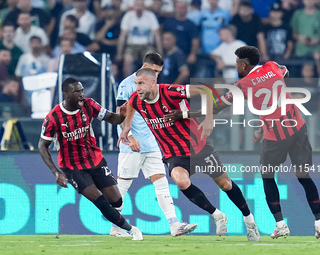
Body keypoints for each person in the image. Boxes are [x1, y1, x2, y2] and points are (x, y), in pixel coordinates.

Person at [167, 46, 320, 239]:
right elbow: (286, 71)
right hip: (297, 128)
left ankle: (280, 225)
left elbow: (216, 107)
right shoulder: (272, 66)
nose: (236, 66)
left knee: (268, 177)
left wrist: (185, 114)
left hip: (275, 137)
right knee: (303, 176)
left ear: (243, 64)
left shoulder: (243, 85)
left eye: (237, 63)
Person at [118, 67, 261, 241]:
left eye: (141, 83)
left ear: (153, 82)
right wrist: (127, 128)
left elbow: (206, 90)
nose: (137, 88)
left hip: (198, 147)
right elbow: (130, 108)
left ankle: (249, 220)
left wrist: (208, 117)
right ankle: (217, 215)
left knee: (225, 185)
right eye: (135, 84)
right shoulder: (136, 99)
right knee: (180, 180)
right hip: (174, 153)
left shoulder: (170, 92)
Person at [38, 77, 143, 241]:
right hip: (72, 167)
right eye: (76, 92)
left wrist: (121, 115)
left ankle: (117, 227)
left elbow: (112, 119)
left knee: (116, 200)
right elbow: (42, 146)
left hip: (95, 160)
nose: (81, 95)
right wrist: (55, 172)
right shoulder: (53, 118)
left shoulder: (89, 104)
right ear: (66, 94)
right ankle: (132, 230)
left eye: (82, 91)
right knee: (99, 199)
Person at [111, 52, 198, 237]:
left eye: (158, 72)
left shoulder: (155, 86)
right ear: (144, 66)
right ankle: (116, 226)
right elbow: (120, 112)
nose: (156, 76)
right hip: (131, 144)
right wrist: (131, 136)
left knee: (161, 183)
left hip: (152, 143)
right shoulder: (127, 84)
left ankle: (174, 224)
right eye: (154, 71)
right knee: (123, 185)